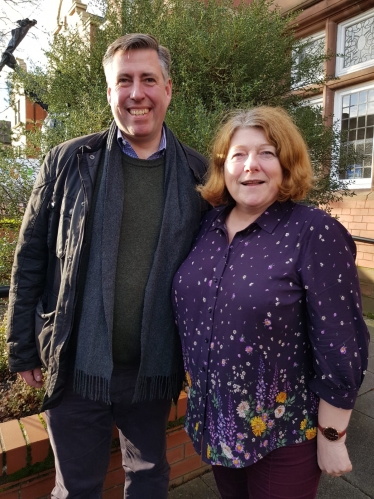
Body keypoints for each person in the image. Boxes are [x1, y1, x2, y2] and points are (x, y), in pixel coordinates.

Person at [6, 33, 208, 499]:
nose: (137, 93)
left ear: (168, 89)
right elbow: (31, 258)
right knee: (75, 488)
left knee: (150, 481)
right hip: (76, 364)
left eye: (148, 80)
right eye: (124, 81)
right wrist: (22, 348)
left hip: (152, 370)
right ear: (109, 92)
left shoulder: (198, 174)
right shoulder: (68, 162)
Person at [172, 106, 369, 499]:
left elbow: (342, 343)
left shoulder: (314, 233)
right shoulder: (208, 225)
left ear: (287, 163)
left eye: (267, 153)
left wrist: (333, 434)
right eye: (238, 155)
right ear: (222, 166)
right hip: (220, 425)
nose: (251, 166)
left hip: (285, 433)